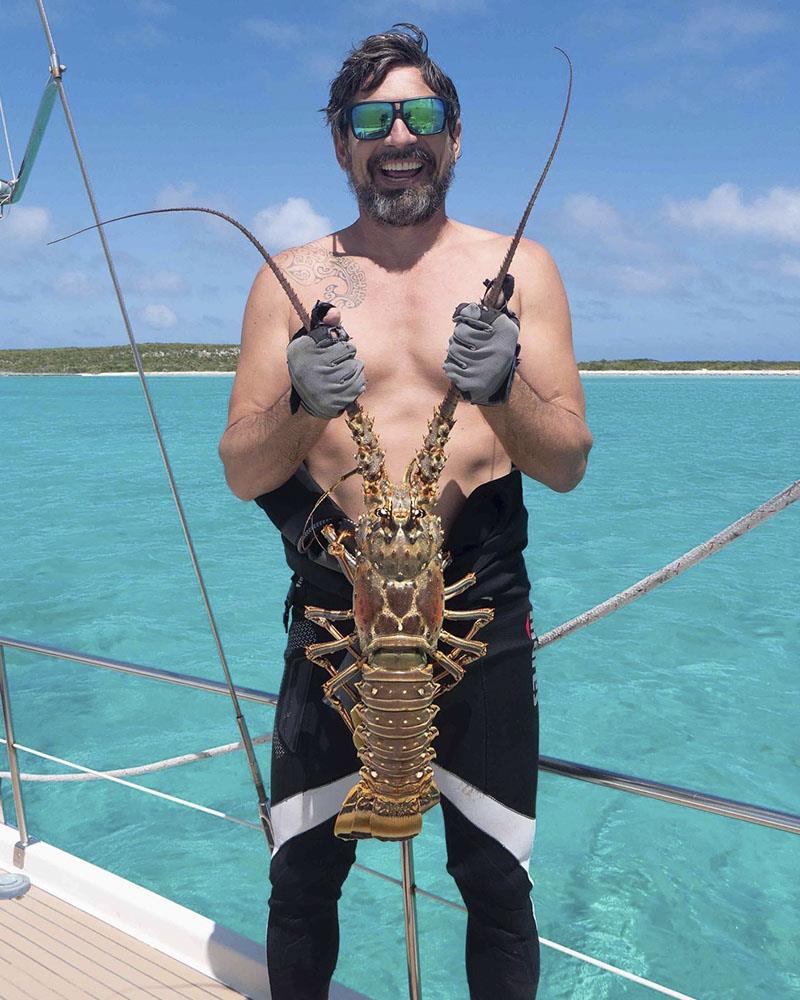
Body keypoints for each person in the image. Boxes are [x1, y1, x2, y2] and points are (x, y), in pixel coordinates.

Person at [219, 23, 592, 1000]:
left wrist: (504, 387)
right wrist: (299, 402)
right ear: (341, 143)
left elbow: (563, 463)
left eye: (419, 114)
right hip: (335, 616)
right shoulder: (290, 279)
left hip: (477, 614)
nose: (397, 135)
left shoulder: (519, 270)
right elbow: (241, 468)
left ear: (454, 136)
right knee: (300, 884)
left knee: (495, 887)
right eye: (371, 118)